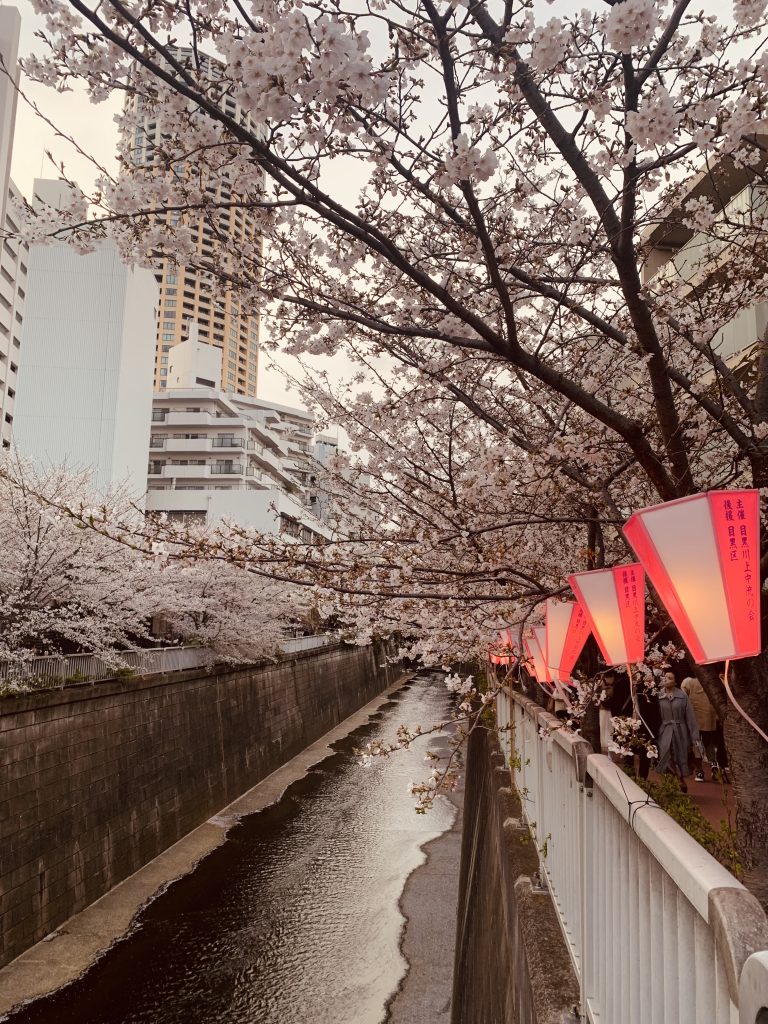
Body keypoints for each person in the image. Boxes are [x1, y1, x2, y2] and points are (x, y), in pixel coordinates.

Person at [656, 669, 700, 793]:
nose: (666, 679)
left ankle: (680, 779)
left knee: (680, 755)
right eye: (665, 677)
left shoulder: (682, 696)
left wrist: (694, 735)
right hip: (664, 730)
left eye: (670, 677)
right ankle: (675, 778)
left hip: (680, 730)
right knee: (666, 754)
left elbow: (690, 716)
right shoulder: (659, 696)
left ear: (675, 681)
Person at [681, 675, 718, 781]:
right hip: (709, 716)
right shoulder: (711, 680)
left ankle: (699, 771)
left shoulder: (687, 682)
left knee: (695, 744)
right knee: (709, 743)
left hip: (693, 718)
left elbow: (684, 700)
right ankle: (714, 765)